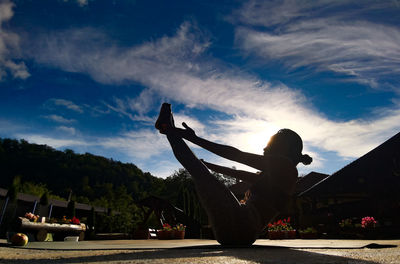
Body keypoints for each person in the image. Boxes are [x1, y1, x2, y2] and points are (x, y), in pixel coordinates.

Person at [155, 103, 312, 246]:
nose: (264, 148)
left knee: (199, 173)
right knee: (200, 172)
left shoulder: (286, 166)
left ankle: (168, 129)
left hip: (240, 225)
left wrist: (194, 138)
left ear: (282, 149)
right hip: (242, 231)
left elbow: (236, 155)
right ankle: (169, 129)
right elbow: (238, 173)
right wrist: (208, 165)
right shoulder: (275, 178)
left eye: (270, 145)